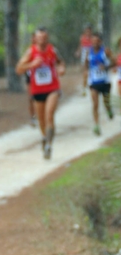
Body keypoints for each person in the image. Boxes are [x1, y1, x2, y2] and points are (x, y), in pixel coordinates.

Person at [16, 27, 65, 159]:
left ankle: (49, 144)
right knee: (42, 119)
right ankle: (44, 137)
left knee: (49, 116)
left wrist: (61, 69)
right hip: (37, 90)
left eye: (44, 37)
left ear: (47, 38)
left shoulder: (52, 50)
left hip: (52, 88)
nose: (42, 40)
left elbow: (61, 62)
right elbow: (19, 69)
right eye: (40, 37)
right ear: (35, 38)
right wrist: (32, 64)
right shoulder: (30, 52)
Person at [85, 31, 115, 135]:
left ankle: (109, 110)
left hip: (105, 82)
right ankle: (96, 125)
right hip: (94, 83)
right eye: (93, 41)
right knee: (95, 104)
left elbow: (114, 62)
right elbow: (86, 65)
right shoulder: (89, 52)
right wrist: (85, 77)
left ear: (101, 41)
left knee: (106, 103)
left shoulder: (106, 51)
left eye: (97, 41)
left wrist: (106, 67)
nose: (95, 43)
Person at [76, 24, 93, 95]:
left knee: (92, 70)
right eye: (86, 31)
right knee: (85, 72)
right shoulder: (82, 37)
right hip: (84, 53)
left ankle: (92, 85)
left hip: (91, 53)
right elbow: (81, 45)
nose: (88, 32)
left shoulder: (93, 38)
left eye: (89, 31)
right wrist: (78, 51)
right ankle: (84, 88)